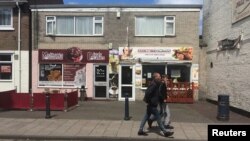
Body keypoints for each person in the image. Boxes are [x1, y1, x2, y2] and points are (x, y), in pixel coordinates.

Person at [138, 72, 174, 137]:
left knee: (146, 117)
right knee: (159, 118)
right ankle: (165, 132)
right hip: (152, 105)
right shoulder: (154, 85)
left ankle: (140, 130)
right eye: (159, 76)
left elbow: (157, 93)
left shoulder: (156, 84)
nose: (160, 77)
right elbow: (148, 93)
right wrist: (150, 101)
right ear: (155, 77)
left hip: (151, 105)